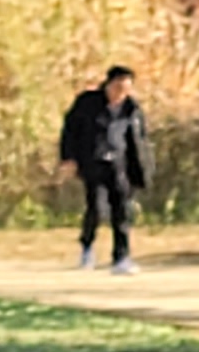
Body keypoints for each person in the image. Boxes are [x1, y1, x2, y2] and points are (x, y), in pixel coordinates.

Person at [58, 67, 151, 274]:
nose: (120, 93)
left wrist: (141, 170)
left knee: (122, 210)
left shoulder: (132, 109)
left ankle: (121, 257)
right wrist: (68, 157)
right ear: (108, 84)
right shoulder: (87, 103)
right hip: (93, 162)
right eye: (117, 87)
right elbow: (70, 130)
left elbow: (139, 141)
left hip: (119, 164)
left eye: (125, 89)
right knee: (97, 208)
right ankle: (87, 246)